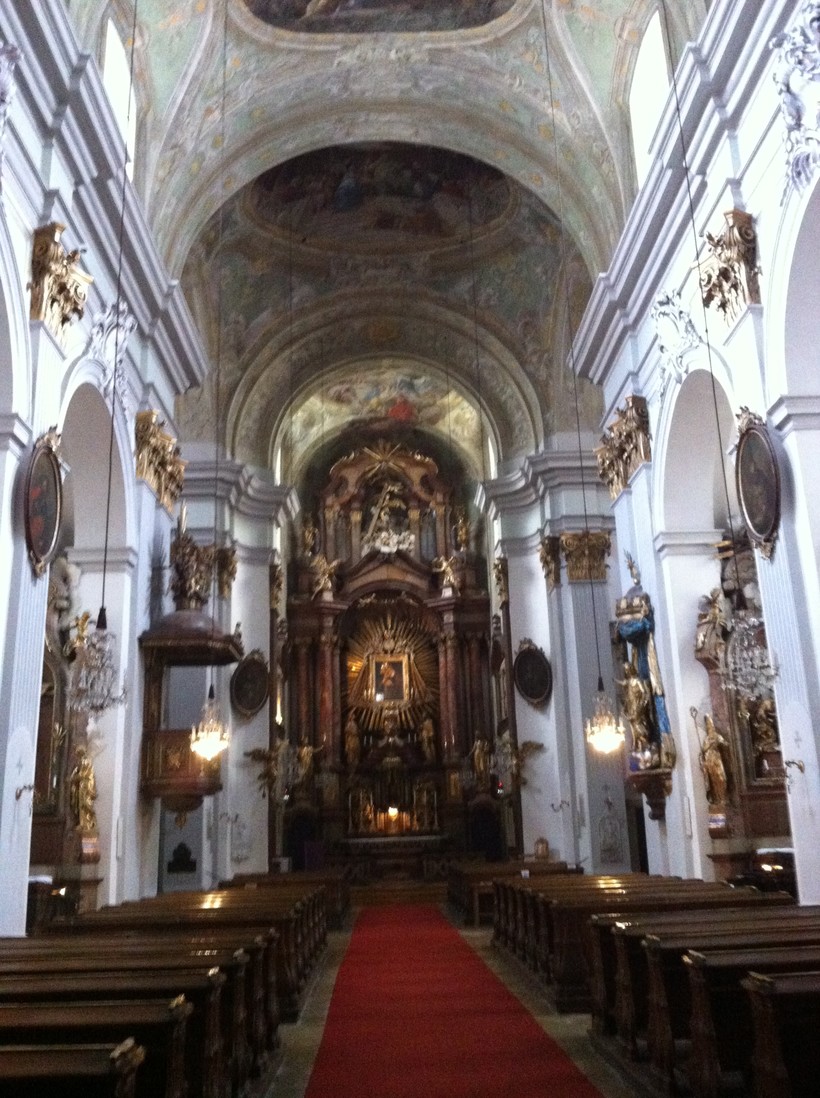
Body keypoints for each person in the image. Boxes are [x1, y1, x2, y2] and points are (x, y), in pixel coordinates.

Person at [618, 660, 653, 760]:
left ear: (631, 669)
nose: (627, 672)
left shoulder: (637, 681)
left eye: (628, 670)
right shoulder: (629, 681)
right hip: (631, 706)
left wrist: (642, 705)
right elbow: (625, 687)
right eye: (626, 670)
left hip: (638, 706)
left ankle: (646, 742)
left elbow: (644, 693)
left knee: (638, 724)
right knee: (632, 725)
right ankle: (637, 745)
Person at [699, 713, 729, 805]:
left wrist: (721, 742)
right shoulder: (707, 739)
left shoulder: (717, 736)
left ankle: (723, 797)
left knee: (722, 778)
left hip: (717, 759)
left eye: (710, 724)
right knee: (714, 780)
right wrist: (710, 745)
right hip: (710, 760)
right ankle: (718, 799)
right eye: (708, 725)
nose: (710, 727)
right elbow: (704, 750)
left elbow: (725, 744)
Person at [69, 747, 97, 833]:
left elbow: (83, 774)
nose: (77, 756)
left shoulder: (86, 761)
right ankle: (83, 823)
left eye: (77, 754)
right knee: (81, 804)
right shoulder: (81, 761)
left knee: (85, 803)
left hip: (86, 786)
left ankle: (89, 823)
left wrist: (73, 778)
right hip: (82, 786)